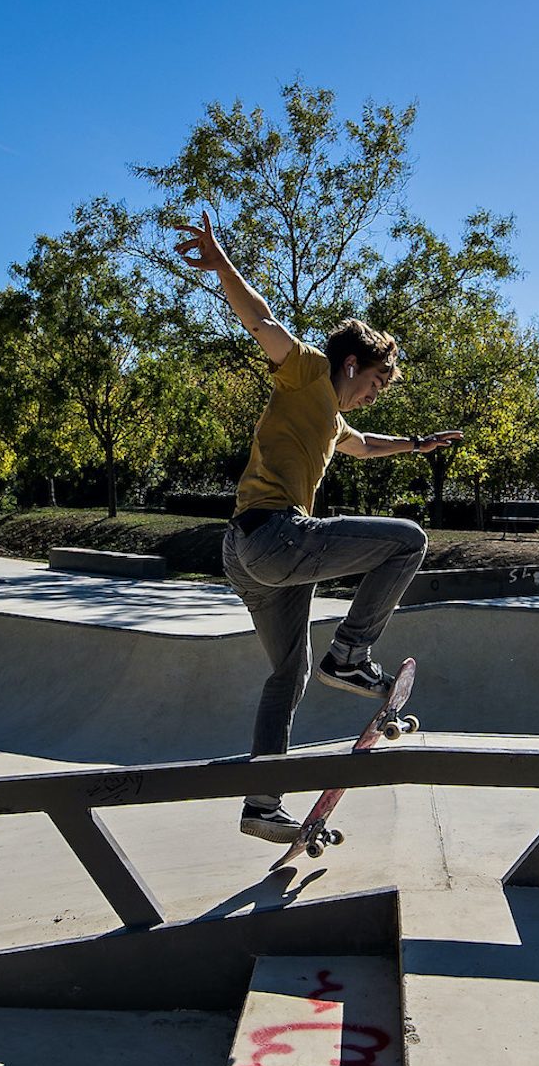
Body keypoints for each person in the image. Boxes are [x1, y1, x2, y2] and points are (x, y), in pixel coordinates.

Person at [173, 212, 464, 842]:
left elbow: (360, 445)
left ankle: (260, 803)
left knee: (288, 674)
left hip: (245, 553)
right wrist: (221, 262)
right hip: (277, 536)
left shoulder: (332, 419)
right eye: (377, 382)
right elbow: (262, 324)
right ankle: (352, 653)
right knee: (409, 540)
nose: (375, 394)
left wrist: (415, 444)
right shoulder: (306, 370)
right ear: (352, 363)